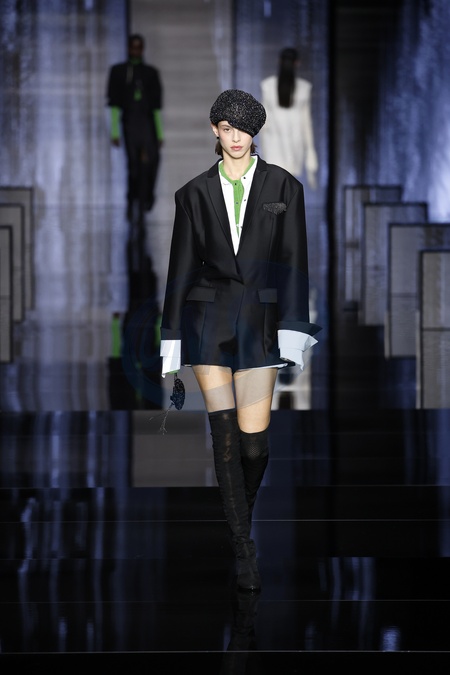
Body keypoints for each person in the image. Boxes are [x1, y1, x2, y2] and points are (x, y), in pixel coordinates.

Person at [159, 89, 321, 592]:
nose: (235, 138)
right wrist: (171, 338)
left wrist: (294, 329)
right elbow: (180, 271)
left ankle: (238, 522)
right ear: (215, 130)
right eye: (227, 129)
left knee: (254, 446)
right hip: (207, 321)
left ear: (255, 132)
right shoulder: (192, 194)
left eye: (244, 129)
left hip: (260, 324)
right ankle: (244, 550)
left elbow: (294, 263)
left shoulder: (284, 187)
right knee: (225, 439)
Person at [106, 33, 164, 220]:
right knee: (133, 166)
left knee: (152, 162)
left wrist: (159, 133)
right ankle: (132, 200)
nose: (135, 51)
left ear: (142, 49)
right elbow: (114, 104)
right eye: (133, 47)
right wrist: (115, 132)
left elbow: (156, 107)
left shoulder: (151, 73)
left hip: (147, 123)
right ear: (128, 48)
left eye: (138, 47)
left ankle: (147, 196)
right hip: (129, 123)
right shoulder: (119, 72)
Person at [260, 47, 318, 189]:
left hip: (273, 143)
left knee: (276, 185)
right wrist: (310, 152)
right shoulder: (304, 88)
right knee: (287, 185)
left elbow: (263, 122)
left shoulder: (268, 86)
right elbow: (306, 123)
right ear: (297, 63)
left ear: (279, 61)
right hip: (293, 143)